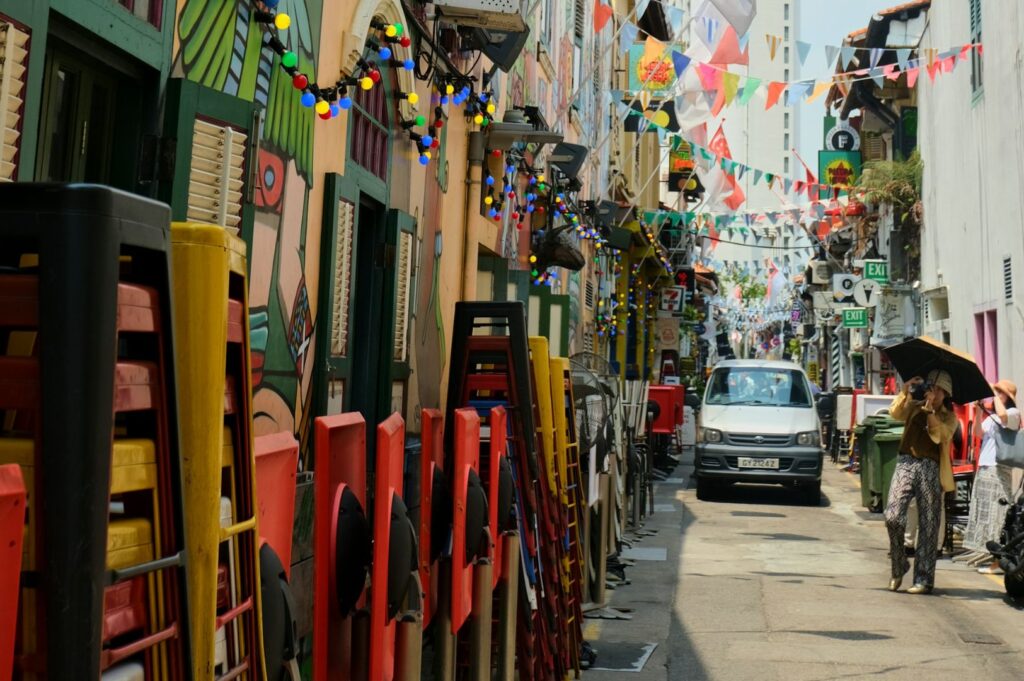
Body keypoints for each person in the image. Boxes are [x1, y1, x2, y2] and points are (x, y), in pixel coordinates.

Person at [885, 370, 958, 594]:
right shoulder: (914, 403)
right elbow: (895, 414)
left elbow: (940, 436)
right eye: (930, 387)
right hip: (906, 461)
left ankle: (923, 580)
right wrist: (906, 391)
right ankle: (899, 565)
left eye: (937, 390)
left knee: (928, 524)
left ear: (945, 393)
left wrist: (930, 412)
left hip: (931, 466)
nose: (932, 393)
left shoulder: (948, 416)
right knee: (893, 516)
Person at [963, 379, 1020, 573]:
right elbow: (979, 433)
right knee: (985, 513)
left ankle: (998, 561)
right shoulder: (992, 417)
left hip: (1000, 469)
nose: (996, 395)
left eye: (1000, 392)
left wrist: (994, 397)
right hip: (985, 467)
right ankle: (989, 554)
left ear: (1008, 397)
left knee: (999, 515)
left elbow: (1004, 417)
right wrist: (979, 411)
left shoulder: (1013, 414)